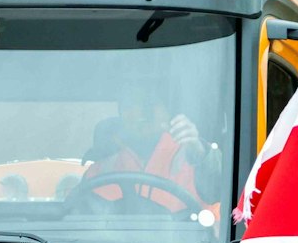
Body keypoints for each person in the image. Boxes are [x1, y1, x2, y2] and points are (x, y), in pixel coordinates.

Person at [81, 85, 226, 211]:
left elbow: (225, 191)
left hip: (193, 242)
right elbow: (71, 217)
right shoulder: (98, 171)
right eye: (129, 105)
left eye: (149, 103)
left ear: (170, 112)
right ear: (121, 115)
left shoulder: (195, 157)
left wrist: (199, 151)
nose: (140, 113)